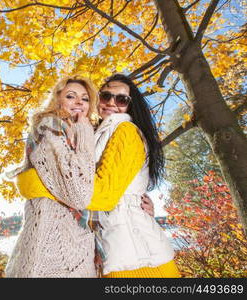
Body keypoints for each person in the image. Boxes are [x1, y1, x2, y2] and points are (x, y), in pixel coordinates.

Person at [16, 74, 180, 278]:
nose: (112, 102)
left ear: (130, 105)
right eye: (106, 96)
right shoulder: (94, 133)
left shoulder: (126, 131)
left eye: (121, 99)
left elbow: (102, 196)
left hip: (138, 260)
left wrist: (36, 183)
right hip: (114, 252)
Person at [4, 75, 100, 277]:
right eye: (71, 96)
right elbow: (79, 195)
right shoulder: (51, 129)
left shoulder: (72, 132)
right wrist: (85, 132)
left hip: (72, 244)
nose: (79, 103)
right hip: (52, 247)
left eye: (84, 98)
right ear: (57, 99)